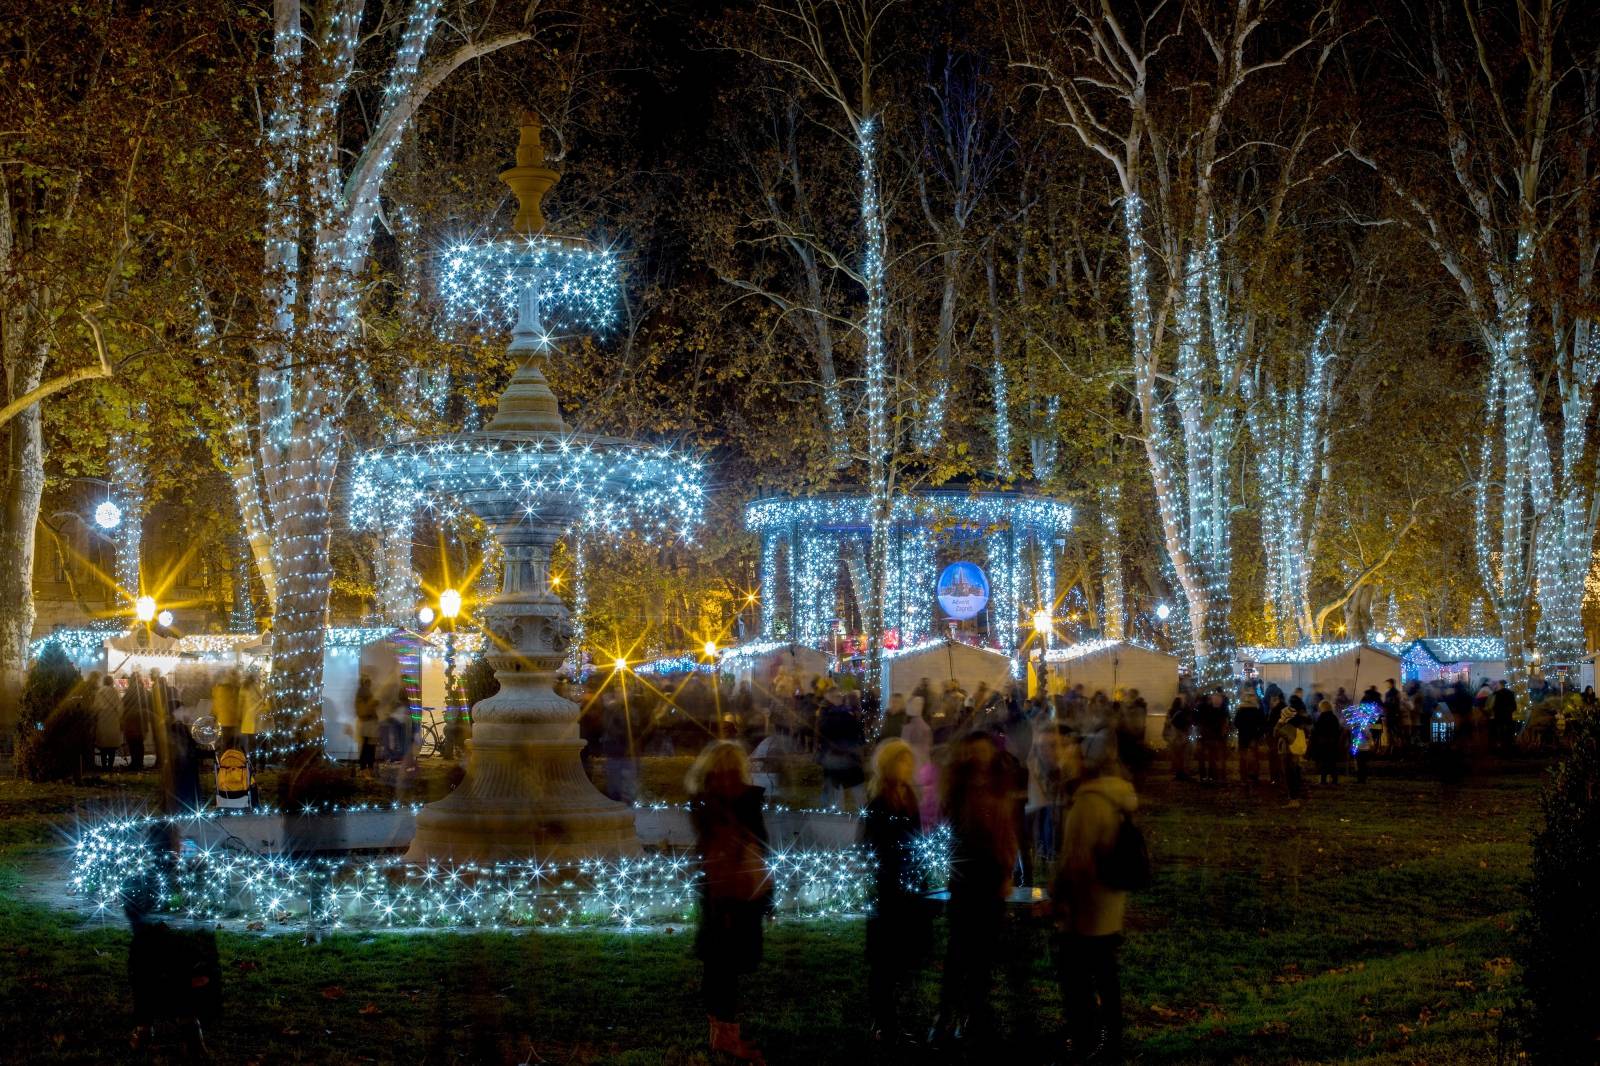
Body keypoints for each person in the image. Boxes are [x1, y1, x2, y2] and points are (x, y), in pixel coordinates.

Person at [1052, 731, 1136, 1064]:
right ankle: (1109, 1036)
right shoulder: (1117, 796)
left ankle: (1089, 1038)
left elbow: (1077, 861)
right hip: (1109, 902)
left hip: (1085, 906)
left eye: (1072, 754)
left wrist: (1060, 899)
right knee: (1104, 973)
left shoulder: (1089, 802)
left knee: (1078, 978)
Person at [688, 741, 772, 1064]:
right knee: (730, 966)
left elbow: (704, 846)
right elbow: (759, 845)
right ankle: (727, 1037)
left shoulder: (701, 802)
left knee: (717, 964)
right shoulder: (747, 799)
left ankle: (719, 1032)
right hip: (739, 892)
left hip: (714, 890)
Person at [933, 733, 1018, 1045]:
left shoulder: (999, 786)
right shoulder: (957, 790)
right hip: (966, 878)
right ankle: (947, 1014)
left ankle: (975, 1013)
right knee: (959, 950)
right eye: (974, 751)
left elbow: (1006, 831)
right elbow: (951, 828)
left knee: (983, 953)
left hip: (991, 877)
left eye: (984, 751)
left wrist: (1008, 870)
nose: (979, 757)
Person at [861, 739, 926, 1044]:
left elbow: (916, 836)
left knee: (902, 958)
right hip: (888, 889)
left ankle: (895, 1020)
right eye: (901, 761)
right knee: (884, 960)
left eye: (908, 761)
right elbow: (870, 845)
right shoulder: (878, 802)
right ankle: (883, 1021)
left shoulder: (909, 797)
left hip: (909, 888)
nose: (906, 767)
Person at [817, 693, 867, 810]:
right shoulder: (851, 718)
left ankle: (839, 816)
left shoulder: (826, 719)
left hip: (833, 758)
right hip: (849, 758)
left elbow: (822, 738)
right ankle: (864, 813)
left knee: (837, 791)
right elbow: (859, 737)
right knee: (857, 790)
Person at [1276, 700, 1312, 806]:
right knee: (1296, 775)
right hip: (1296, 754)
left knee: (1290, 777)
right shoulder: (1300, 726)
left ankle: (1293, 800)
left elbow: (1276, 732)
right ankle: (1296, 798)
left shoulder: (1288, 728)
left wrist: (1280, 722)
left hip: (1288, 753)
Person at [1234, 689, 1266, 786]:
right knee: (1254, 757)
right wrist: (1259, 734)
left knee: (1243, 758)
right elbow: (1262, 723)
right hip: (1253, 737)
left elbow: (1236, 723)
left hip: (1243, 736)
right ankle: (1254, 776)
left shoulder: (1241, 709)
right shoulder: (1257, 710)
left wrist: (1242, 728)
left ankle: (1243, 778)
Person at [92, 672, 122, 771]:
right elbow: (120, 707)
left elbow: (95, 707)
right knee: (112, 746)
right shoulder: (115, 692)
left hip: (102, 719)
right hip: (113, 719)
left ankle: (104, 766)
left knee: (103, 746)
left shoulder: (99, 692)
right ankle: (110, 766)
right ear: (112, 682)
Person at [121, 673, 150, 772]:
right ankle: (139, 763)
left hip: (131, 720)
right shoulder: (145, 691)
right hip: (142, 719)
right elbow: (149, 703)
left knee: (133, 743)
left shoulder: (130, 691)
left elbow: (123, 703)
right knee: (139, 743)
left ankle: (135, 763)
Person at [1311, 699, 1342, 785]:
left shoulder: (1321, 718)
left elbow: (1316, 730)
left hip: (1323, 744)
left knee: (1323, 763)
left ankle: (1323, 780)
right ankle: (1334, 780)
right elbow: (1337, 731)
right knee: (1332, 763)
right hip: (1332, 744)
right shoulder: (1334, 718)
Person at [354, 675, 380, 774]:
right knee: (368, 747)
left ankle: (366, 767)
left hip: (367, 723)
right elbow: (368, 707)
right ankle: (366, 767)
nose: (370, 683)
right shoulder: (364, 691)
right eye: (368, 682)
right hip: (367, 723)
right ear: (365, 682)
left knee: (367, 746)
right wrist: (375, 702)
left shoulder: (362, 691)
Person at [212, 668, 242, 753]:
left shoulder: (218, 689)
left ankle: (224, 760)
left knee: (225, 742)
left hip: (223, 720)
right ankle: (230, 760)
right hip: (232, 720)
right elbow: (238, 705)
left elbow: (215, 705)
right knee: (232, 743)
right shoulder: (235, 689)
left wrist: (215, 716)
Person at [1164, 697, 1193, 781]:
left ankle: (1178, 773)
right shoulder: (1182, 712)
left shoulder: (1170, 711)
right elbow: (1186, 723)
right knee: (1184, 756)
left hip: (1173, 736)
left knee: (1176, 756)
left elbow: (1167, 723)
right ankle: (1184, 773)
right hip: (1181, 735)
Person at [238, 670, 265, 760]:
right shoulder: (258, 687)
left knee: (250, 744)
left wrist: (239, 717)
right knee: (258, 743)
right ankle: (258, 764)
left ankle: (250, 763)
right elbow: (263, 701)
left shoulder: (244, 688)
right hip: (257, 718)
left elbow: (240, 704)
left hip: (249, 719)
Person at [1491, 681, 1518, 754]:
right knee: (1509, 733)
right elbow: (1514, 706)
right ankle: (1509, 749)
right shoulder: (1511, 693)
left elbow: (1493, 705)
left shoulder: (1496, 694)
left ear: (1500, 685)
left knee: (1500, 733)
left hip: (1499, 716)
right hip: (1508, 716)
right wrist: (1509, 711)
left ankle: (1501, 750)